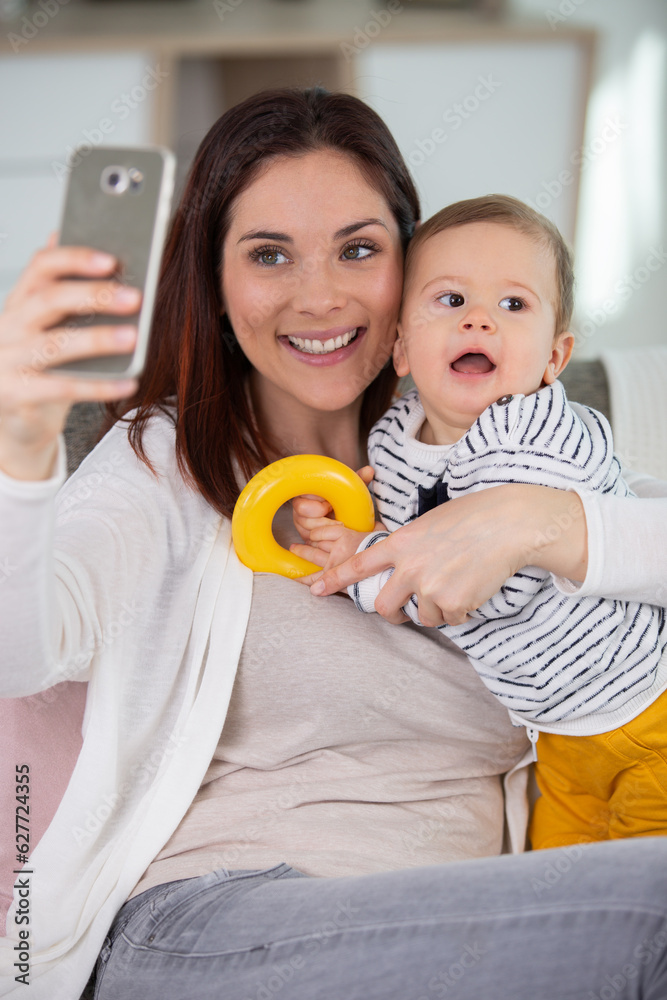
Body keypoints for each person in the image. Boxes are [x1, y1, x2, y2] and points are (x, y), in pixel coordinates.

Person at [1, 87, 667, 1000]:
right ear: (216, 283)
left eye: (357, 249)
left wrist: (530, 521)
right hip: (212, 928)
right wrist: (19, 444)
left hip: (478, 930)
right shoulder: (164, 459)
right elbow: (22, 653)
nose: (319, 297)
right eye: (268, 254)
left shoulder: (490, 441)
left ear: (410, 266)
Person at [291, 194, 667, 851]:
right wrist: (342, 523)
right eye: (450, 299)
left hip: (648, 708)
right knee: (557, 884)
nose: (479, 320)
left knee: (635, 886)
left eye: (513, 304)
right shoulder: (392, 439)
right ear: (401, 348)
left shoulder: (538, 435)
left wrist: (360, 562)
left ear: (553, 359)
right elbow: (404, 541)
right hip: (560, 734)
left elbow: (477, 588)